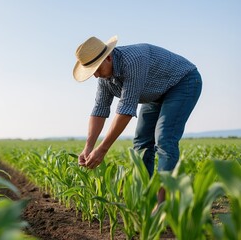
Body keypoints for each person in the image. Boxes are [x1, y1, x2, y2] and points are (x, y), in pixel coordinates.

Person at [73, 35, 202, 204]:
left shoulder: (133, 61)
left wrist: (103, 149)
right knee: (141, 143)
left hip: (183, 82)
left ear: (108, 57)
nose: (96, 76)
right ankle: (145, 199)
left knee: (164, 138)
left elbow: (126, 109)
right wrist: (89, 146)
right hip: (155, 93)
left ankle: (163, 205)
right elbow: (99, 110)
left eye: (96, 69)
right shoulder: (105, 78)